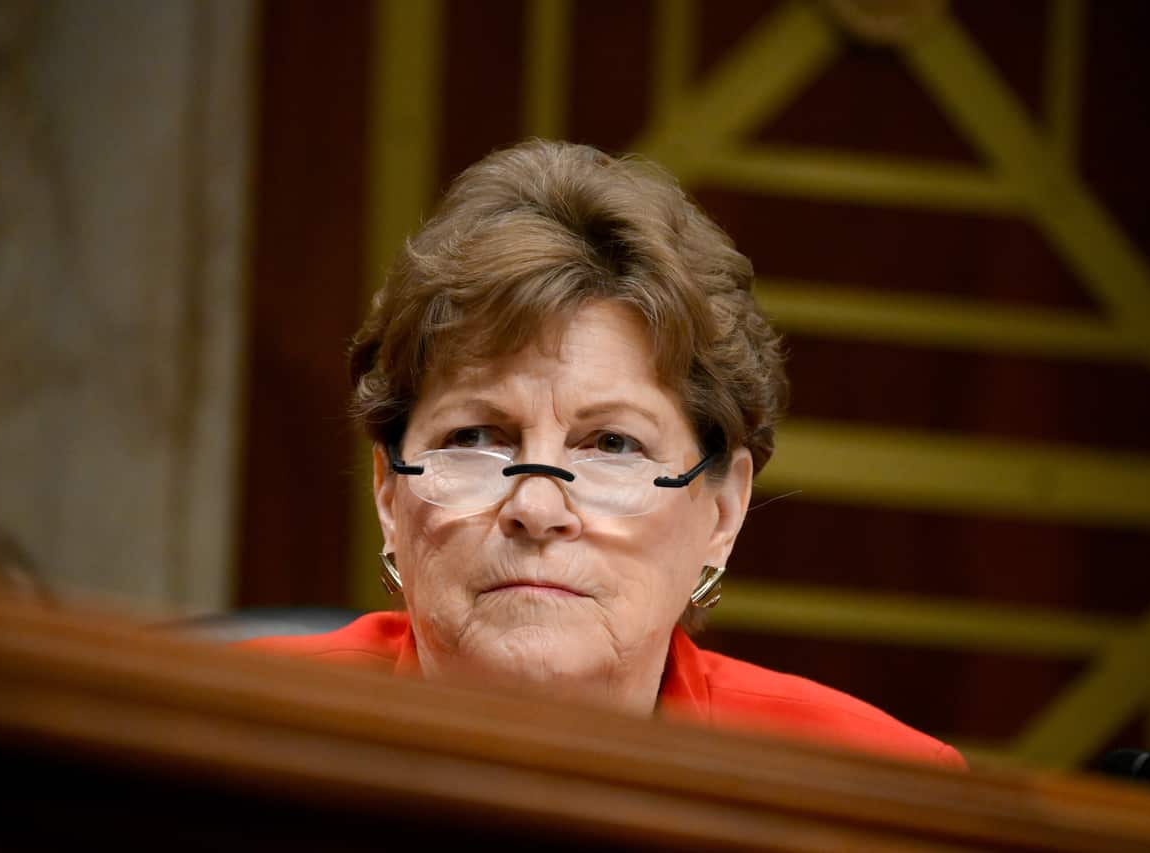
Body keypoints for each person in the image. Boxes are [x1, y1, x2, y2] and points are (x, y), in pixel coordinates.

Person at [247, 139, 964, 770]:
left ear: (722, 509)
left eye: (613, 444)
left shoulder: (872, 791)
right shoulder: (226, 735)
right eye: (475, 437)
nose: (534, 507)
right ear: (387, 491)